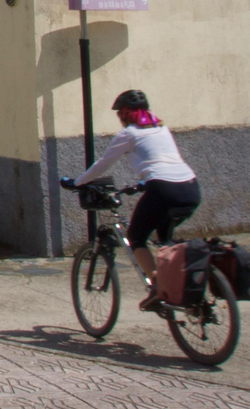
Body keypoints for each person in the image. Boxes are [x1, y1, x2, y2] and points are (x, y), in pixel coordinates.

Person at [63, 89, 200, 309]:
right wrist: (146, 182)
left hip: (163, 189)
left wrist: (77, 182)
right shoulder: (162, 128)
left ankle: (158, 286)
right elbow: (165, 160)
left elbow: (103, 165)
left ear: (126, 113)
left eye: (119, 114)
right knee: (164, 239)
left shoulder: (129, 134)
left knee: (136, 237)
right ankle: (180, 283)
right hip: (191, 189)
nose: (119, 118)